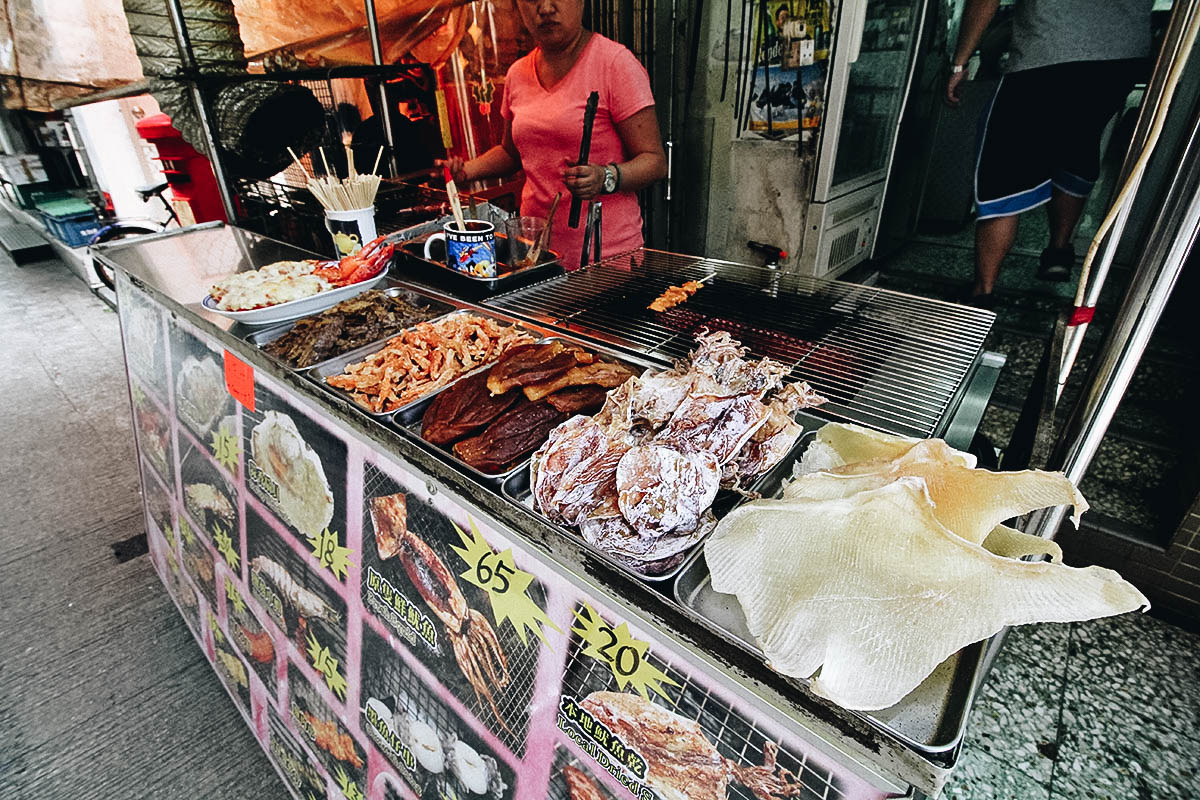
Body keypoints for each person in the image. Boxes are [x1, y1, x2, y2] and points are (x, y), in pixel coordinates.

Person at [945, 0, 1151, 308]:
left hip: (1049, 53)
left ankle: (983, 290)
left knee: (1002, 172)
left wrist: (959, 63)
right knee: (1076, 147)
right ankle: (1058, 251)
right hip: (1120, 58)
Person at [445, 0, 667, 269]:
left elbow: (654, 162)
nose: (546, 8)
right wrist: (466, 172)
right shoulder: (517, 73)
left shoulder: (615, 64)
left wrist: (605, 177)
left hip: (604, 257)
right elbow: (511, 152)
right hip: (535, 253)